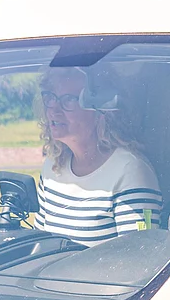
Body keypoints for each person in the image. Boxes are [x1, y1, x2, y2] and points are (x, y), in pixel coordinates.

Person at [35, 67, 162, 243]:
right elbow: (38, 243)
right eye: (50, 97)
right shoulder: (53, 165)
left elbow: (139, 258)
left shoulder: (130, 172)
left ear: (103, 112)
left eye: (70, 100)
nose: (54, 110)